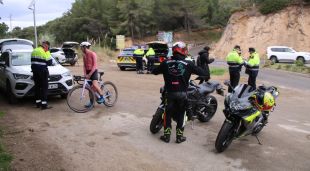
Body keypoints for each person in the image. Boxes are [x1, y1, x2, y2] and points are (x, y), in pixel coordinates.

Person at [152, 41, 208, 143]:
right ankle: (179, 137)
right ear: (183, 51)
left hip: (169, 93)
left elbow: (154, 71)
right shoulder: (189, 64)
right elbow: (204, 73)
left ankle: (166, 136)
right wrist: (203, 65)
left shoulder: (165, 62)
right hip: (182, 94)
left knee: (167, 114)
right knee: (182, 114)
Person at [31, 41, 53, 110]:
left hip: (35, 72)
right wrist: (47, 52)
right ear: (46, 46)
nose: (48, 48)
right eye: (48, 47)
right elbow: (49, 63)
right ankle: (44, 105)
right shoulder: (44, 51)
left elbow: (33, 62)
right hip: (43, 72)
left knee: (37, 87)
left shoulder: (34, 51)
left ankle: (38, 103)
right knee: (44, 88)